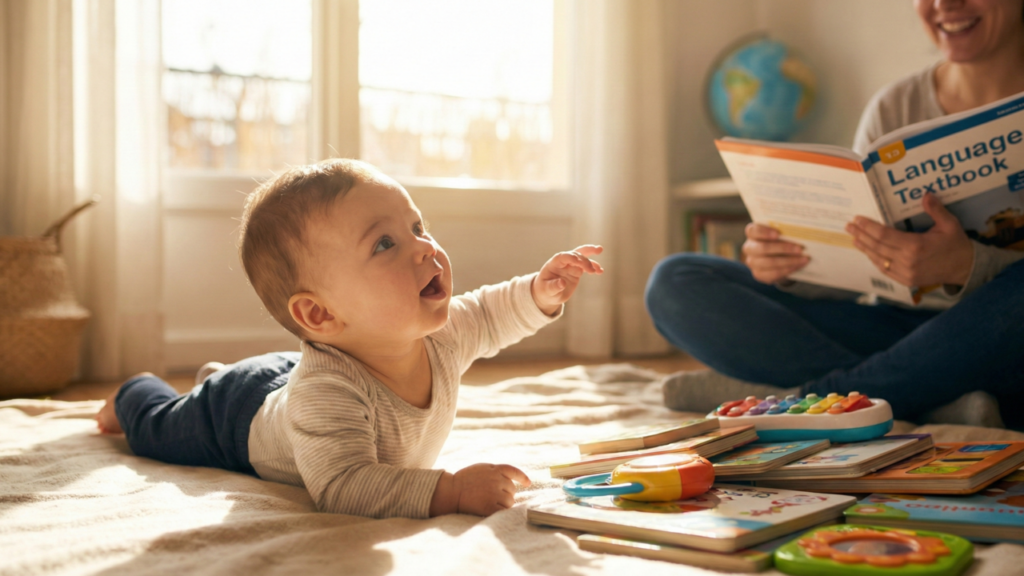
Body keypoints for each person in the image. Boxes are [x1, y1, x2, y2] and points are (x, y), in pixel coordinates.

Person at [95, 158, 604, 519]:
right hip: (235, 416)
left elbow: (492, 314)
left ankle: (216, 376)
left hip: (285, 376)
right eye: (385, 243)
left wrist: (540, 292)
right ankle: (134, 392)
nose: (424, 248)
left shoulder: (442, 334)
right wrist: (448, 490)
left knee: (265, 381)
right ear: (319, 313)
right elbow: (343, 486)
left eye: (417, 226)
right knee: (156, 428)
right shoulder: (326, 395)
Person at [645, 0, 1024, 429]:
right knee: (675, 283)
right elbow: (857, 269)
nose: (945, 5)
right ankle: (927, 400)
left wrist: (967, 265)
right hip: (896, 330)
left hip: (1004, 338)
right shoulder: (895, 106)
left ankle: (813, 402)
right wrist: (790, 263)